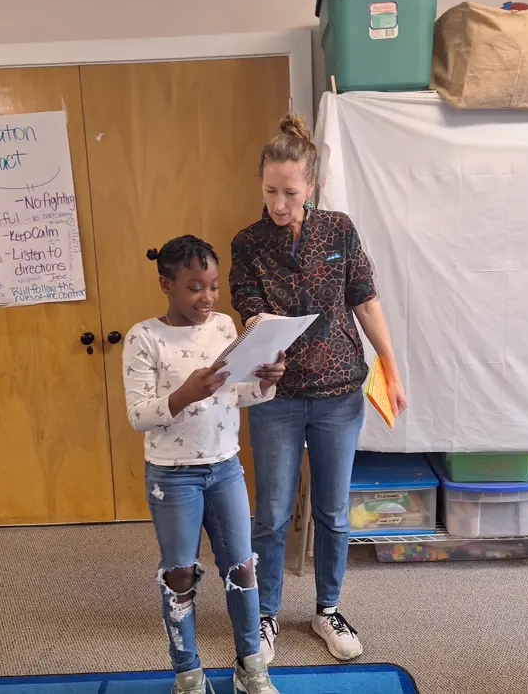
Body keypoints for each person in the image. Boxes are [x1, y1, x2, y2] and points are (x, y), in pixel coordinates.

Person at [229, 115, 407, 664]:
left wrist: (391, 365)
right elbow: (250, 319)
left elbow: (364, 298)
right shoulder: (248, 243)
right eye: (269, 191)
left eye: (289, 191)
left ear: (312, 187)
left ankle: (328, 609)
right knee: (273, 514)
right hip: (277, 400)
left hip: (339, 394)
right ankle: (265, 616)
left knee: (333, 512)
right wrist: (263, 359)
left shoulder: (339, 230)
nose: (279, 203)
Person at [122, 235, 285, 694]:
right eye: (195, 287)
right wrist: (183, 395)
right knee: (179, 574)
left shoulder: (225, 328)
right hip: (172, 478)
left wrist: (267, 383)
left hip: (225, 468)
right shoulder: (143, 338)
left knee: (241, 566)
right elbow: (138, 415)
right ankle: (188, 673)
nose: (208, 297)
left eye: (213, 285)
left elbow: (238, 394)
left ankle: (251, 666)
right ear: (166, 285)